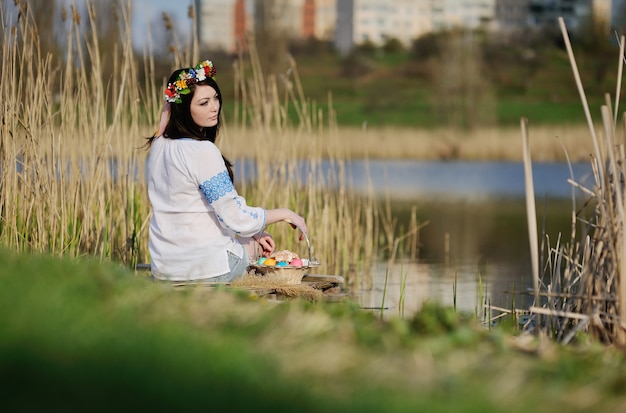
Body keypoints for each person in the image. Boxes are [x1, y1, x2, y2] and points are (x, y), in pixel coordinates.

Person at [144, 59, 307, 282]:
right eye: (203, 103)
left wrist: (256, 231)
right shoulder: (202, 151)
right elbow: (236, 217)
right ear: (183, 109)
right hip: (207, 271)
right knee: (253, 245)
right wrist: (286, 214)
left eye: (216, 98)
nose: (214, 107)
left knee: (253, 237)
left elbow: (164, 120)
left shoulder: (158, 146)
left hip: (165, 269)